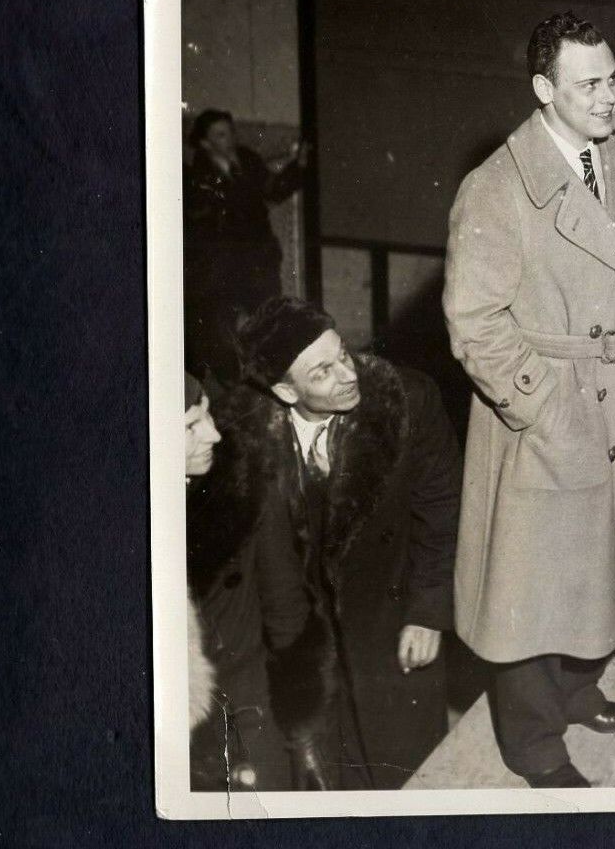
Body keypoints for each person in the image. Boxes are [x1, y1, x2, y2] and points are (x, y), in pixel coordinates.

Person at [443, 11, 615, 789]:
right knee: (531, 583)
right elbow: (473, 323)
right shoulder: (498, 188)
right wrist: (544, 406)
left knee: (601, 562)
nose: (611, 97)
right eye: (589, 84)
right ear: (544, 89)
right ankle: (532, 743)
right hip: (546, 407)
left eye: (613, 78)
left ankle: (577, 689)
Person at [222, 297, 463, 788]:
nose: (348, 374)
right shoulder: (247, 437)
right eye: (322, 373)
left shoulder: (408, 400)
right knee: (327, 773)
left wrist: (427, 613)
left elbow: (443, 512)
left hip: (391, 612)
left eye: (344, 355)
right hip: (304, 633)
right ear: (286, 392)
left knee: (407, 764)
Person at [186, 372, 332, 792]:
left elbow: (285, 608)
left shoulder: (244, 484)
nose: (214, 435)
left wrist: (303, 730)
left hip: (246, 707)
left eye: (208, 416)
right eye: (191, 427)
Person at [183, 108, 308, 382]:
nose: (230, 139)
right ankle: (230, 382)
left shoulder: (247, 160)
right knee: (222, 327)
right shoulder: (197, 176)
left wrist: (297, 167)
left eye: (231, 131)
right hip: (223, 265)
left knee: (267, 317)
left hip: (260, 256)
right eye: (221, 134)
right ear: (205, 142)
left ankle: (271, 377)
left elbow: (273, 191)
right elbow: (201, 217)